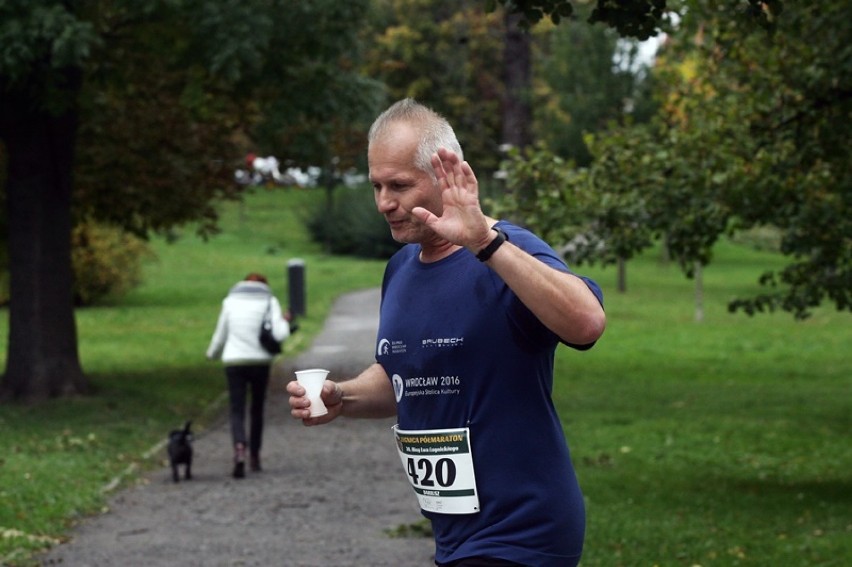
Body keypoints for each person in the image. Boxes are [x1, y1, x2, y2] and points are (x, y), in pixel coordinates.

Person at [286, 99, 606, 566]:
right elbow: (405, 373)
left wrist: (484, 243)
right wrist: (343, 397)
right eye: (376, 185)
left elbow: (587, 323)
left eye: (398, 185)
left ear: (444, 173)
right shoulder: (400, 268)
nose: (383, 203)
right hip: (454, 534)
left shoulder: (504, 249)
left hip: (523, 529)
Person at [207, 273, 292, 478]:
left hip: (234, 362)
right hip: (260, 362)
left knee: (236, 408)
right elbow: (280, 334)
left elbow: (221, 334)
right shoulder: (269, 301)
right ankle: (254, 455)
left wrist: (212, 354)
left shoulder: (230, 302)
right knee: (257, 409)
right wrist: (284, 321)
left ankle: (239, 448)